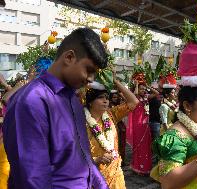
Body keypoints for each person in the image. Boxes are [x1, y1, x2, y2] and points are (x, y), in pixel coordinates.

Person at [2, 28, 109, 189]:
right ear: (69, 57)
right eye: (89, 70)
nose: (91, 80)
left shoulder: (74, 101)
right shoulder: (31, 101)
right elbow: (33, 179)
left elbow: (84, 158)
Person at [84, 76, 138, 188]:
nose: (105, 101)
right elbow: (73, 154)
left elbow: (134, 101)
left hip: (115, 174)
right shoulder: (80, 122)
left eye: (107, 98)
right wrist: (96, 159)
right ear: (90, 102)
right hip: (94, 176)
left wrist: (116, 82)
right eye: (100, 98)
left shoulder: (111, 114)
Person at [127, 80, 159, 175]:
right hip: (138, 125)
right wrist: (136, 84)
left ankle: (145, 167)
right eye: (142, 89)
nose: (143, 90)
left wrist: (148, 86)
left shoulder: (146, 97)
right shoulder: (135, 98)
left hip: (146, 125)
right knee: (139, 146)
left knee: (146, 146)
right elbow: (135, 93)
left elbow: (156, 93)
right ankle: (137, 166)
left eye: (144, 89)